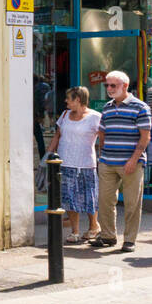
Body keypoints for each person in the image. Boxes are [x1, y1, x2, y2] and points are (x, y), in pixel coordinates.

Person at [93, 70, 150, 253]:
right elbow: (102, 132)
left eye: (113, 85)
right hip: (108, 162)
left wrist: (134, 160)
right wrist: (102, 157)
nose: (109, 89)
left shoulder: (140, 107)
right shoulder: (107, 107)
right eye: (107, 85)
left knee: (132, 203)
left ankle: (130, 240)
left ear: (125, 86)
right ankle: (108, 236)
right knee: (105, 201)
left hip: (131, 163)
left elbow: (145, 137)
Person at [45, 86, 101, 244]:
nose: (65, 101)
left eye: (68, 98)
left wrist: (103, 159)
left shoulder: (95, 117)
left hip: (85, 164)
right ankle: (75, 231)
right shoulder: (64, 115)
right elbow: (57, 136)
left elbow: (103, 139)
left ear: (78, 99)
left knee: (89, 198)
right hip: (64, 162)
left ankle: (93, 227)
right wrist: (48, 156)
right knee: (69, 198)